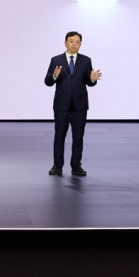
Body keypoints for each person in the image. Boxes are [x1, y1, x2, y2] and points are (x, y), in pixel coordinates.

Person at [44, 31, 102, 176]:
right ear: (65, 43)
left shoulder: (86, 60)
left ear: (80, 44)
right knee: (59, 136)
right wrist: (54, 76)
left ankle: (76, 166)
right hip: (61, 105)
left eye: (77, 42)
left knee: (78, 136)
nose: (74, 44)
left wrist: (93, 79)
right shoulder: (56, 60)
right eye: (71, 41)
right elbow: (48, 82)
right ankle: (57, 165)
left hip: (80, 105)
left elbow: (89, 83)